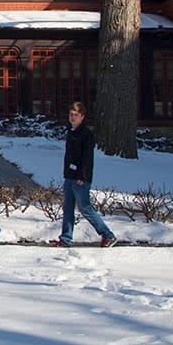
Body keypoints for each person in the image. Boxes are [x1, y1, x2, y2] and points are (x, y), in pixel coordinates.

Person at [52, 102, 118, 248]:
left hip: (80, 179)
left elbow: (87, 158)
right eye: (71, 114)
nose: (72, 117)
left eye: (76, 115)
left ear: (82, 116)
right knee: (67, 208)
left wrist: (83, 176)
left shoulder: (86, 134)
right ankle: (65, 238)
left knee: (85, 208)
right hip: (69, 176)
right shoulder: (71, 131)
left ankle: (108, 235)